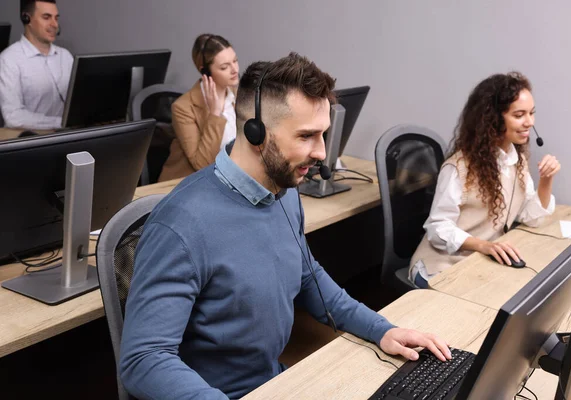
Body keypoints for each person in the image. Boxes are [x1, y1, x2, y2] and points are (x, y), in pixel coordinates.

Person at [120, 52, 452, 399]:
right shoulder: (181, 226)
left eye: (323, 135)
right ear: (255, 132)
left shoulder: (283, 192)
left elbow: (308, 276)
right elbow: (144, 360)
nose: (322, 152)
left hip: (275, 381)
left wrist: (381, 330)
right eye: (307, 136)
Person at [409, 72, 560, 288]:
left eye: (531, 113)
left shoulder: (516, 160)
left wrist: (546, 180)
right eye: (519, 115)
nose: (529, 122)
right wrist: (483, 245)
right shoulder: (458, 168)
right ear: (493, 119)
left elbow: (530, 217)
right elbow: (437, 228)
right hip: (441, 267)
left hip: (479, 263)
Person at [158, 34, 239, 182]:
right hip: (189, 185)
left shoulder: (238, 96)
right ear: (205, 72)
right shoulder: (183, 108)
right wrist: (215, 114)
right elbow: (202, 164)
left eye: (235, 61)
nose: (235, 69)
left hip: (228, 182)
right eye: (224, 67)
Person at [0, 0, 72, 130]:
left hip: (65, 136)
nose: (54, 24)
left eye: (56, 18)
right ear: (27, 18)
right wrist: (61, 122)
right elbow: (13, 116)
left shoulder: (65, 56)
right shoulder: (9, 59)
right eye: (46, 17)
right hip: (29, 140)